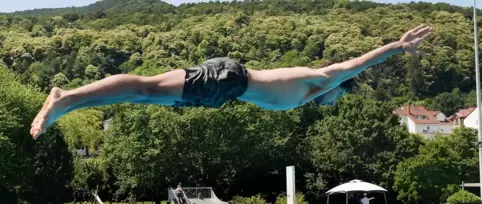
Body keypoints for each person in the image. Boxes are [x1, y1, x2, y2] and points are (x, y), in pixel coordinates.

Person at [30, 26, 434, 140]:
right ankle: (66, 97)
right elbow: (356, 63)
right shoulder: (322, 80)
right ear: (338, 88)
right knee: (146, 89)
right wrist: (396, 48)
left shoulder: (307, 94)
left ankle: (68, 104)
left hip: (225, 89)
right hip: (229, 79)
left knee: (143, 97)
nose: (331, 106)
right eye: (337, 100)